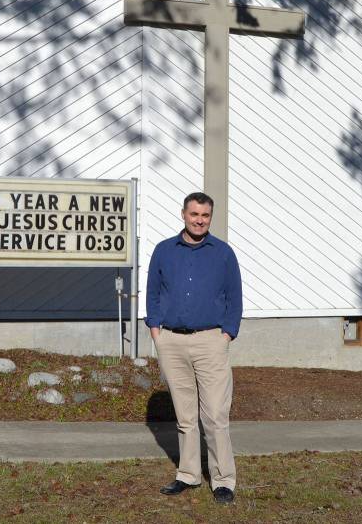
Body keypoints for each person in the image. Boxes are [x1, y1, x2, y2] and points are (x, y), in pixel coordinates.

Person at [146, 191, 242, 505]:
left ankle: (223, 480)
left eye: (205, 215)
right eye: (194, 214)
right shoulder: (164, 251)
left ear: (210, 217)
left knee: (215, 415)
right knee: (185, 415)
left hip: (211, 341)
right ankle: (188, 474)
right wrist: (157, 332)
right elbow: (153, 292)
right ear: (184, 214)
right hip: (171, 342)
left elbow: (235, 298)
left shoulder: (223, 253)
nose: (199, 220)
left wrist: (226, 335)